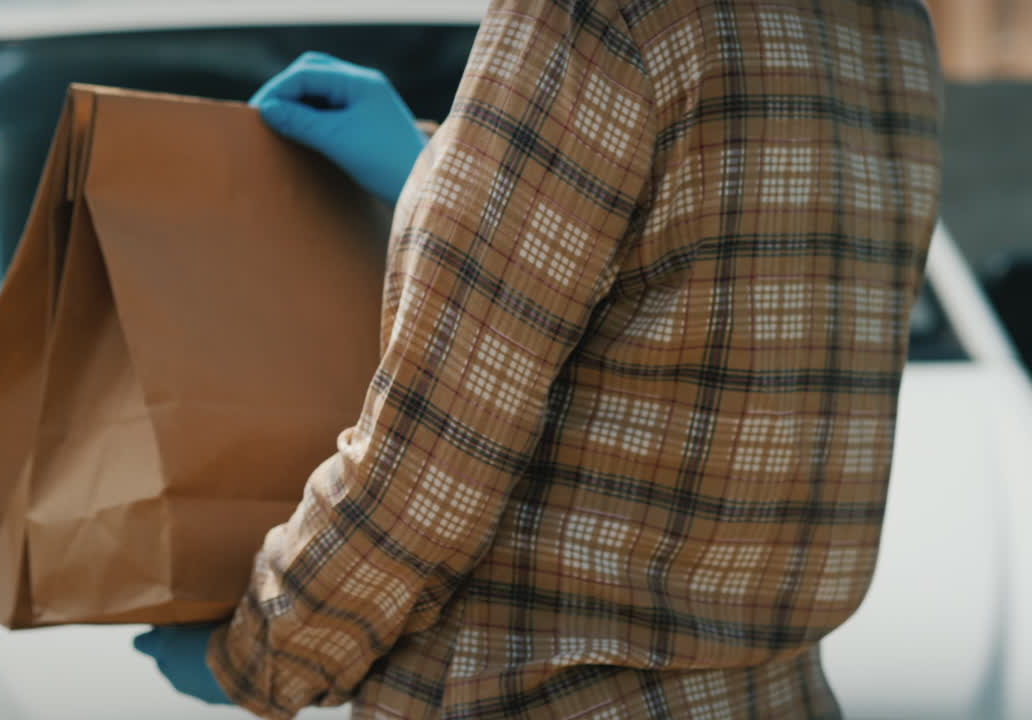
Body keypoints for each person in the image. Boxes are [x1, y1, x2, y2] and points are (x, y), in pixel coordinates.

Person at [133, 0, 944, 717]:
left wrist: (257, 654)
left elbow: (431, 471)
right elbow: (702, 260)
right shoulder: (889, 24)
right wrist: (437, 167)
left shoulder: (594, 11)